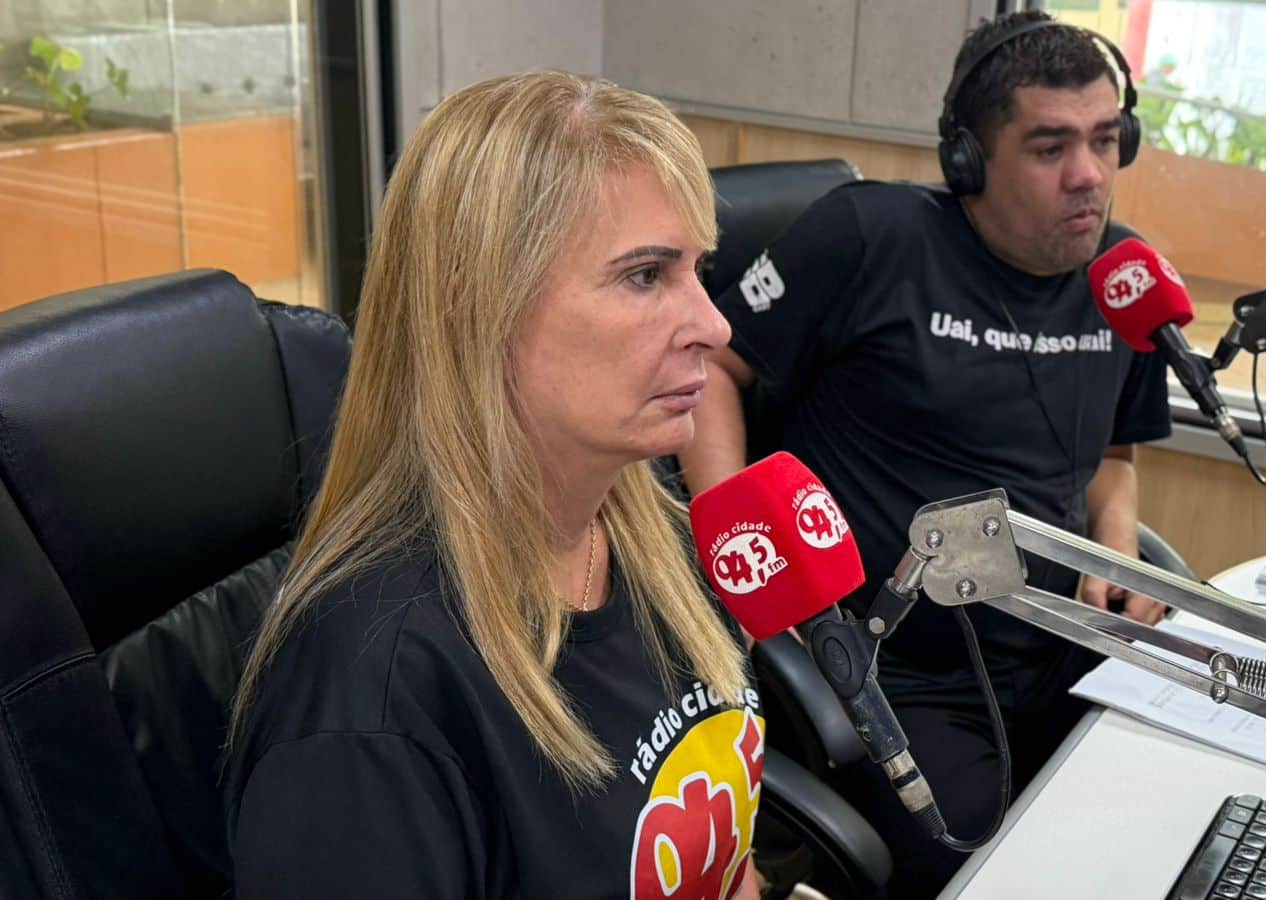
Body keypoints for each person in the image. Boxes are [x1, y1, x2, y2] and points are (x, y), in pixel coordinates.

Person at [225, 72, 764, 900]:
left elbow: (726, 862)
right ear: (479, 306)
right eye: (646, 276)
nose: (714, 324)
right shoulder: (367, 703)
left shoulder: (660, 541)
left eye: (698, 269)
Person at [678, 11, 1173, 897]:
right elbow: (714, 362)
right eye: (1050, 147)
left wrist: (1118, 549)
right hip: (896, 669)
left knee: (1153, 836)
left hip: (1059, 644)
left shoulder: (1122, 276)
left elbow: (1112, 453)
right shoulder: (870, 238)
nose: (1089, 174)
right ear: (968, 161)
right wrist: (739, 550)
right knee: (995, 879)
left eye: (1106, 140)